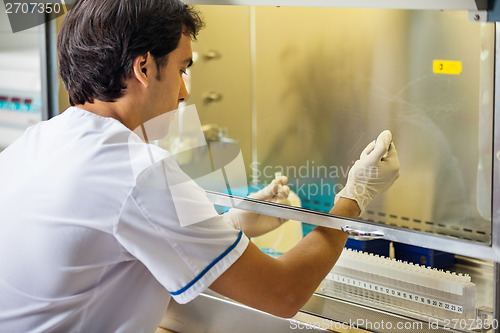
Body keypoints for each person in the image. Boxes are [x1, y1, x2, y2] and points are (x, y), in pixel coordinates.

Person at [0, 0, 400, 331]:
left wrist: (232, 224)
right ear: (143, 68)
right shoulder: (138, 170)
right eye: (182, 68)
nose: (184, 91)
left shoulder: (38, 141)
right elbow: (283, 293)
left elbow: (115, 242)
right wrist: (353, 197)